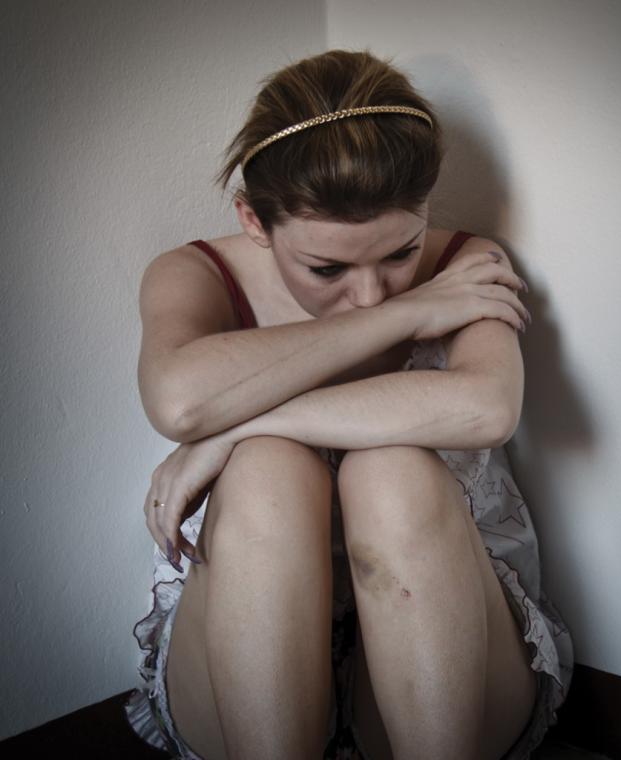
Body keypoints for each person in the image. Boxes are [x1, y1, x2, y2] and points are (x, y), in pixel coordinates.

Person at [123, 48, 573, 760]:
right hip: (240, 664)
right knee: (268, 469)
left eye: (402, 253)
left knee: (389, 467)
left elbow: (487, 408)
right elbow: (178, 403)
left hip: (443, 648)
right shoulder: (193, 273)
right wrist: (407, 315)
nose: (372, 292)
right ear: (253, 220)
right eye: (327, 268)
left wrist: (234, 427)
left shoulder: (467, 265)